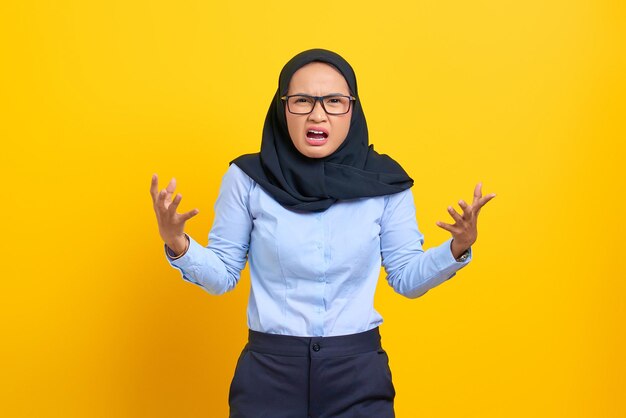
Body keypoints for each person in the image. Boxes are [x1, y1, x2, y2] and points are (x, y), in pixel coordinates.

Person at [150, 48, 496, 418]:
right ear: (282, 108)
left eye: (334, 101)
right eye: (302, 100)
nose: (318, 114)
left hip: (357, 373)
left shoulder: (386, 183)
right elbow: (222, 276)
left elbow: (406, 278)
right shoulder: (248, 179)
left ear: (353, 109)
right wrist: (178, 243)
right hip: (269, 374)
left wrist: (458, 247)